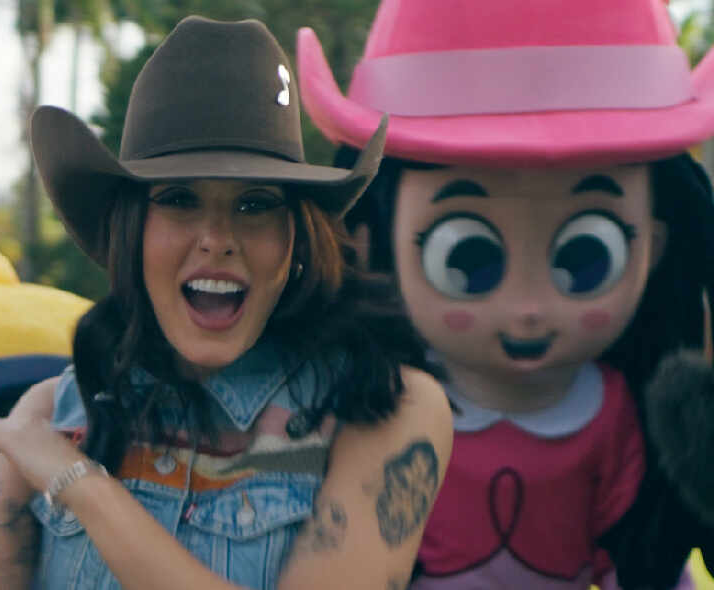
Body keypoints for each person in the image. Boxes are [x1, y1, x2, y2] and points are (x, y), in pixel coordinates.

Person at [0, 16, 453, 590]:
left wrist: (77, 483)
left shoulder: (386, 408)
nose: (217, 238)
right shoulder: (51, 413)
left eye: (255, 204)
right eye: (179, 199)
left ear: (297, 239)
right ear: (131, 233)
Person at [296, 0, 714, 588]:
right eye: (467, 258)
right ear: (374, 241)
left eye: (585, 257)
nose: (528, 309)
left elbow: (634, 555)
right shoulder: (375, 399)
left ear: (657, 242)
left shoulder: (613, 411)